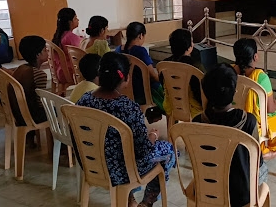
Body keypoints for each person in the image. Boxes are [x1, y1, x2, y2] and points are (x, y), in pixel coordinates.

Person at [77, 52, 175, 207]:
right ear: (126, 78)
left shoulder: (83, 100)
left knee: (122, 151)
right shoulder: (128, 108)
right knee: (168, 150)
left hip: (92, 165)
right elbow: (143, 151)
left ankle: (130, 199)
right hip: (123, 172)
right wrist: (153, 137)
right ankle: (147, 202)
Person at [192, 63, 268, 207]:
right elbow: (257, 162)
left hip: (206, 190)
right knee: (264, 168)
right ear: (234, 91)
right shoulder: (248, 121)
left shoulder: (197, 122)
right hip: (240, 196)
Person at [232, 38, 276, 158]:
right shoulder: (261, 77)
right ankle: (267, 151)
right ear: (255, 57)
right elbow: (270, 109)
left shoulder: (228, 71)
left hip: (232, 117)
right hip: (253, 124)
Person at [151, 29, 203, 124]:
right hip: (193, 108)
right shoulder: (195, 67)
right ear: (188, 47)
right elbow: (201, 91)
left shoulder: (164, 65)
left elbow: (163, 85)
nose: (193, 44)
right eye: (192, 41)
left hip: (171, 105)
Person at [115, 22, 164, 111]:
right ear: (141, 35)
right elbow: (152, 76)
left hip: (122, 91)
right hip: (141, 94)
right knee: (164, 91)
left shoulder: (118, 50)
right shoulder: (140, 51)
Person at [11, 36, 49, 147]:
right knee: (61, 111)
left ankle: (30, 140)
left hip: (19, 115)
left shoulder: (20, 69)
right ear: (38, 55)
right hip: (32, 115)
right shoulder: (39, 74)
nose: (47, 52)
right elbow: (40, 103)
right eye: (44, 50)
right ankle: (62, 147)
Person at [51, 7, 81, 86]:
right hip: (71, 73)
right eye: (75, 18)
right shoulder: (70, 37)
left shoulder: (59, 36)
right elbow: (80, 53)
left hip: (60, 71)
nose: (78, 20)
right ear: (70, 22)